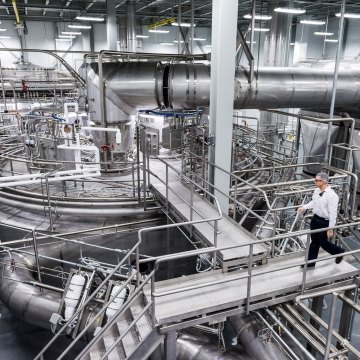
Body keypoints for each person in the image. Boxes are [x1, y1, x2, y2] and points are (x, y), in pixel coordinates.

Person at [297, 172, 345, 267]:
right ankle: (310, 263)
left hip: (324, 221)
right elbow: (313, 202)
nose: (315, 182)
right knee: (314, 241)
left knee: (323, 243)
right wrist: (304, 207)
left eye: (316, 180)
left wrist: (330, 228)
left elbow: (333, 213)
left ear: (323, 181)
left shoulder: (332, 196)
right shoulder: (317, 191)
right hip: (315, 219)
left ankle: (339, 251)